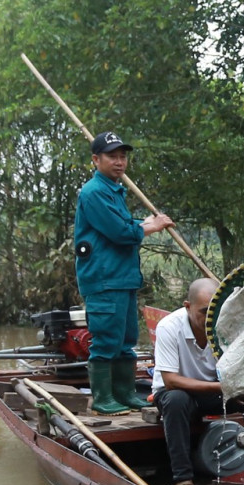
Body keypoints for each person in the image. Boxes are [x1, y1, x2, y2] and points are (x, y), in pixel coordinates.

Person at [74, 131, 172, 415]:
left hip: (123, 278)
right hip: (104, 280)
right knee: (106, 339)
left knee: (126, 340)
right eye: (112, 157)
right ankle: (104, 399)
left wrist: (144, 223)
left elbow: (125, 223)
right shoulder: (94, 192)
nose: (119, 162)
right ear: (96, 160)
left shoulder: (114, 190)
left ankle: (126, 393)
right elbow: (119, 232)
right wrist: (151, 226)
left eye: (122, 156)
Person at [152, 277, 226, 485]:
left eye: (216, 311)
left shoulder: (226, 325)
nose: (210, 319)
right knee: (175, 400)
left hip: (213, 391)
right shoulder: (169, 327)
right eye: (205, 312)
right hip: (176, 393)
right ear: (187, 307)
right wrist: (221, 387)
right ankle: (183, 480)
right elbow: (170, 381)